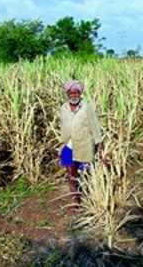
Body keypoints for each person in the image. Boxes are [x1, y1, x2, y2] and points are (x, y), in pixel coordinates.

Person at [59, 79, 104, 212]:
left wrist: (100, 148)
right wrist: (62, 145)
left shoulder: (87, 107)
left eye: (76, 92)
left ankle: (92, 197)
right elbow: (64, 126)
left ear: (80, 93)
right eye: (71, 92)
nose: (74, 95)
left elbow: (95, 128)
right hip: (68, 146)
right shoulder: (63, 108)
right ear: (67, 94)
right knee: (71, 175)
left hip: (84, 145)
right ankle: (76, 200)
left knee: (85, 174)